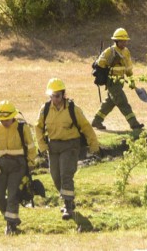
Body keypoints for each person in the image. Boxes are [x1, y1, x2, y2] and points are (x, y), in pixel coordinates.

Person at [35, 77, 99, 219]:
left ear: (63, 94)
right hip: (53, 147)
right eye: (52, 96)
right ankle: (67, 199)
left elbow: (86, 127)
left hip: (70, 146)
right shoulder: (45, 109)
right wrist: (42, 146)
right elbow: (38, 127)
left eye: (57, 96)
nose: (55, 99)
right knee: (55, 176)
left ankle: (68, 207)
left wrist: (94, 144)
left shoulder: (73, 109)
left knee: (66, 174)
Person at [0, 99, 39, 235]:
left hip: (18, 166)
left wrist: (31, 164)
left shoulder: (23, 128)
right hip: (0, 167)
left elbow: (31, 148)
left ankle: (11, 225)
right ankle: (11, 216)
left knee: (13, 194)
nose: (4, 122)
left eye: (6, 119)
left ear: (13, 116)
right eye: (1, 119)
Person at [91, 27, 144, 135]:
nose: (124, 43)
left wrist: (132, 80)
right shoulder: (110, 51)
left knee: (109, 103)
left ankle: (96, 121)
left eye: (125, 41)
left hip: (120, 82)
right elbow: (99, 64)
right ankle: (134, 124)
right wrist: (110, 64)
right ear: (116, 41)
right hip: (112, 82)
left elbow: (128, 68)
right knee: (123, 102)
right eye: (122, 41)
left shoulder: (126, 52)